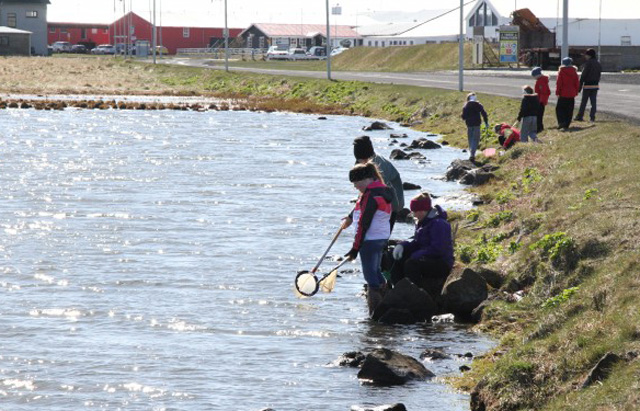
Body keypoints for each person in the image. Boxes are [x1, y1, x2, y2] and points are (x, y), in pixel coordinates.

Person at [342, 162, 394, 316]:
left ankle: (375, 315)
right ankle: (386, 301)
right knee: (376, 271)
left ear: (366, 179)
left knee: (370, 277)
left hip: (369, 240)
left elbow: (364, 224)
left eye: (356, 183)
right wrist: (351, 217)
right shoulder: (381, 190)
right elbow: (360, 208)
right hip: (382, 237)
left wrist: (355, 248)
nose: (355, 186)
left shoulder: (370, 196)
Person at [390, 193, 454, 301]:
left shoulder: (439, 224)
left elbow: (439, 249)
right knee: (397, 259)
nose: (414, 214)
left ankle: (415, 296)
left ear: (422, 210)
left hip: (442, 263)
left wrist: (417, 255)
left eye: (415, 211)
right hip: (427, 258)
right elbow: (417, 243)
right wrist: (402, 246)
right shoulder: (422, 222)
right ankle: (399, 290)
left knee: (411, 264)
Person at [353, 136, 404, 232]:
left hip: (392, 201)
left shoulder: (378, 166)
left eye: (361, 160)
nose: (359, 162)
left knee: (380, 236)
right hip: (378, 200)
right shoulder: (361, 162)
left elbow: (379, 192)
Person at [575, 48, 602, 123]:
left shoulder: (588, 63)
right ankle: (592, 117)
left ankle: (580, 116)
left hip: (587, 85)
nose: (585, 56)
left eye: (586, 55)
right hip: (595, 85)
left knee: (584, 102)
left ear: (589, 55)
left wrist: (579, 87)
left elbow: (583, 75)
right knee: (593, 102)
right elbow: (599, 74)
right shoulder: (598, 63)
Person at [461, 92, 489, 162]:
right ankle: (472, 155)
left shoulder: (466, 106)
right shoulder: (478, 105)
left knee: (470, 139)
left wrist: (467, 117)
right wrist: (486, 122)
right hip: (476, 124)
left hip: (469, 124)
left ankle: (471, 153)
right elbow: (484, 114)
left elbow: (463, 117)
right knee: (475, 139)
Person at [555, 57, 580, 131]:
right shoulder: (574, 72)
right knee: (569, 109)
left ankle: (561, 122)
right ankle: (567, 123)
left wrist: (557, 92)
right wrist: (576, 91)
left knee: (560, 108)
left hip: (563, 93)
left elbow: (559, 83)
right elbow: (577, 83)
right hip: (571, 93)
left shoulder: (561, 71)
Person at [531, 67, 550, 132]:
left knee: (538, 115)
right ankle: (539, 127)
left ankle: (539, 128)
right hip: (540, 100)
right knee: (539, 115)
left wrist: (540, 100)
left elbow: (543, 91)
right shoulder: (541, 80)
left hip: (540, 101)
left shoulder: (541, 81)